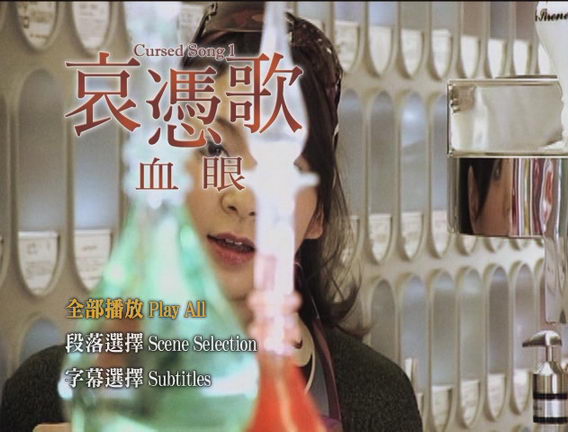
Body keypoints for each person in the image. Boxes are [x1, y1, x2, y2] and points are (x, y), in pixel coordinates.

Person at [0, 3, 422, 432]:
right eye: (215, 149)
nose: (242, 198)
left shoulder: (377, 397)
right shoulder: (54, 392)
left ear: (318, 216)